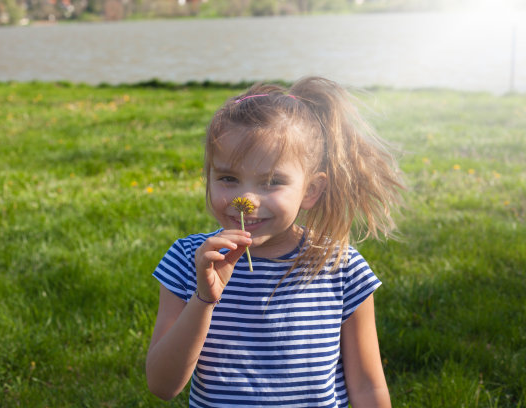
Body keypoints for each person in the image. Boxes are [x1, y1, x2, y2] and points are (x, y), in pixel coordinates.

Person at [146, 76, 403, 407]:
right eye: (228, 178)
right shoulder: (188, 260)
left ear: (311, 190)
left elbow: (368, 387)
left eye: (272, 182)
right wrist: (204, 298)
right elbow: (162, 385)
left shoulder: (340, 267)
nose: (247, 199)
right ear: (208, 176)